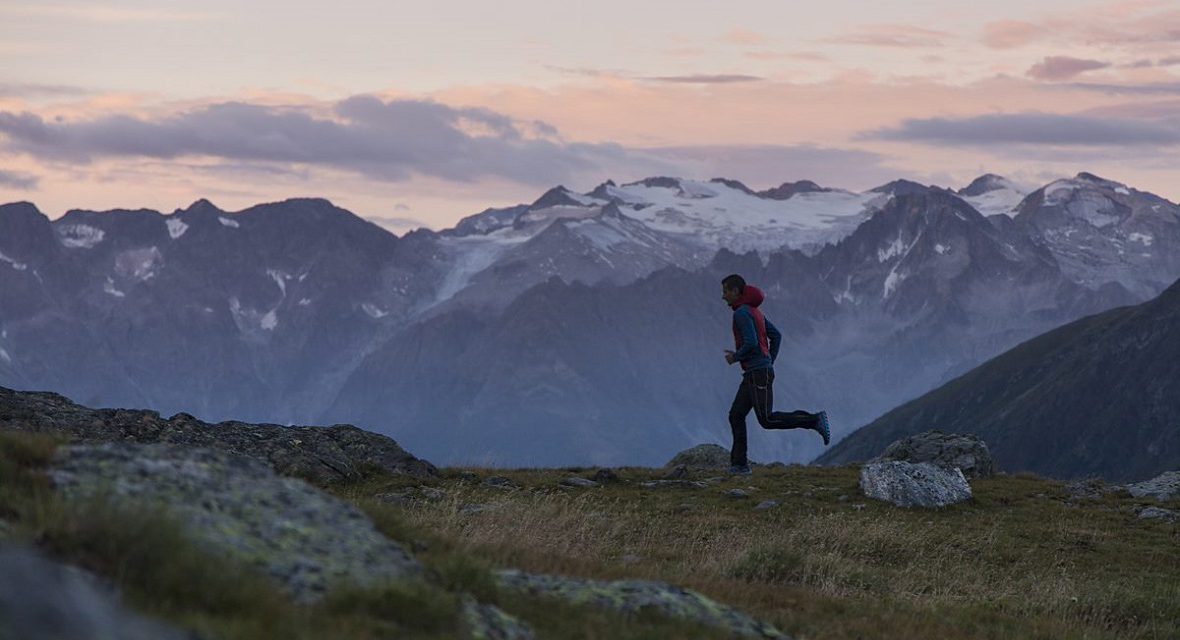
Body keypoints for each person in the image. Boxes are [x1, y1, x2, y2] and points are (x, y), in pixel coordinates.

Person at [721, 273, 829, 476]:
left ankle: (814, 421)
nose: (723, 296)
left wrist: (735, 357)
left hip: (757, 373)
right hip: (756, 372)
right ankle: (739, 465)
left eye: (725, 291)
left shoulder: (742, 314)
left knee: (767, 419)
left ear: (735, 291)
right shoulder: (755, 312)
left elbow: (751, 343)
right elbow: (776, 336)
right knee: (736, 415)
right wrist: (769, 361)